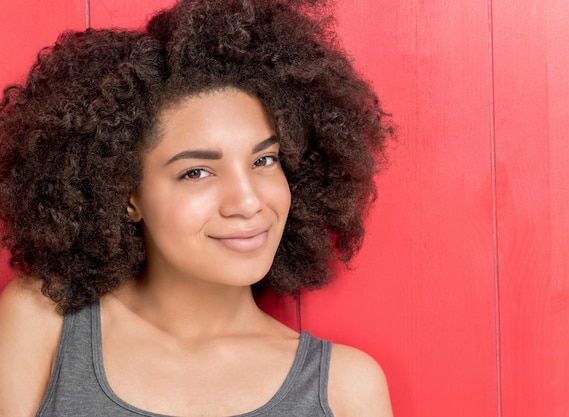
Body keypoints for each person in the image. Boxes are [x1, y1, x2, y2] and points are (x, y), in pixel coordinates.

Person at [0, 0, 394, 416]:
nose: (247, 202)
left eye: (264, 160)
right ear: (126, 195)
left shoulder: (344, 391)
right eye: (197, 173)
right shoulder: (44, 325)